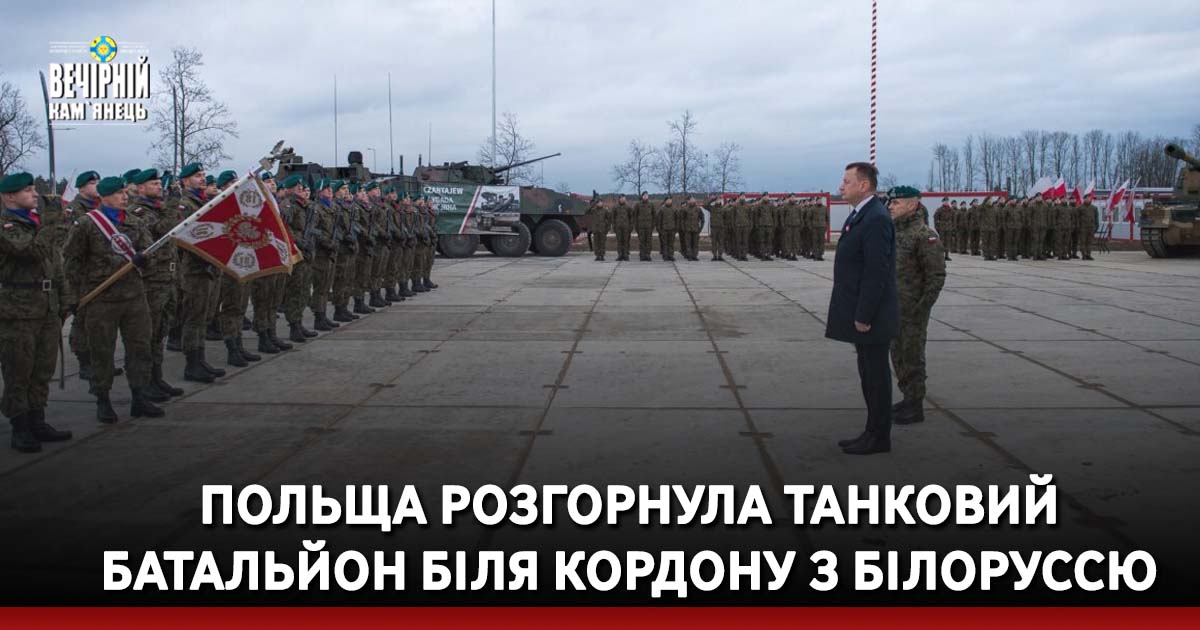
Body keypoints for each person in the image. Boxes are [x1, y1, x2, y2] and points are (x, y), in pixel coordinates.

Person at [62, 176, 164, 423]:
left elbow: (150, 252)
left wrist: (144, 259)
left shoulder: (134, 221)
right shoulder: (87, 224)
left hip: (134, 297)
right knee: (101, 351)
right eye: (119, 193)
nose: (124, 197)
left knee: (140, 348)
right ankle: (103, 400)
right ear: (104, 197)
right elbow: (71, 261)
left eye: (125, 193)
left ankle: (139, 396)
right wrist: (73, 296)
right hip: (101, 299)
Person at [827, 162, 898, 455]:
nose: (841, 186)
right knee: (868, 375)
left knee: (876, 377)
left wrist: (864, 315)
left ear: (864, 185)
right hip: (861, 309)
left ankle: (879, 436)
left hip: (871, 315)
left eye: (847, 181)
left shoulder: (876, 218)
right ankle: (872, 431)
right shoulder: (862, 214)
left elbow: (876, 271)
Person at [0, 172, 73, 452]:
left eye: (33, 189)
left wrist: (64, 299)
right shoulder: (7, 226)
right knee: (19, 370)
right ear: (9, 196)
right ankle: (20, 425)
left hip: (46, 307)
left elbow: (55, 263)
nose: (34, 194)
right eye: (27, 190)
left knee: (43, 369)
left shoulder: (37, 224)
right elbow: (30, 251)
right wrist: (52, 220)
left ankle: (37, 419)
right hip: (18, 310)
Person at [886, 186, 946, 425]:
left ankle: (915, 404)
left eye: (896, 203)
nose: (890, 206)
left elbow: (936, 276)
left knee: (912, 356)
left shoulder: (924, 235)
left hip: (912, 309)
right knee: (897, 354)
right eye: (890, 202)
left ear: (912, 205)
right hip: (893, 307)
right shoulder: (894, 231)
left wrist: (922, 308)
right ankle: (907, 397)